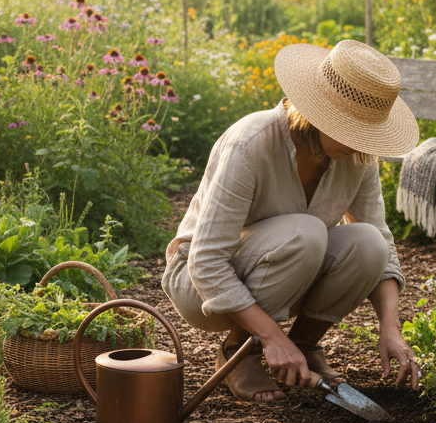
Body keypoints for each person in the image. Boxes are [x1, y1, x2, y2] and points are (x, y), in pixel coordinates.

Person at [161, 39, 422, 402]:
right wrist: (271, 336)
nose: (359, 143)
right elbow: (205, 262)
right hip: (200, 285)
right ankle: (239, 353)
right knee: (308, 232)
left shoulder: (358, 158)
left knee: (369, 243)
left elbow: (382, 243)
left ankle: (303, 345)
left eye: (366, 132)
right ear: (319, 111)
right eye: (351, 128)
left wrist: (390, 327)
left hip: (288, 272)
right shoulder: (251, 143)